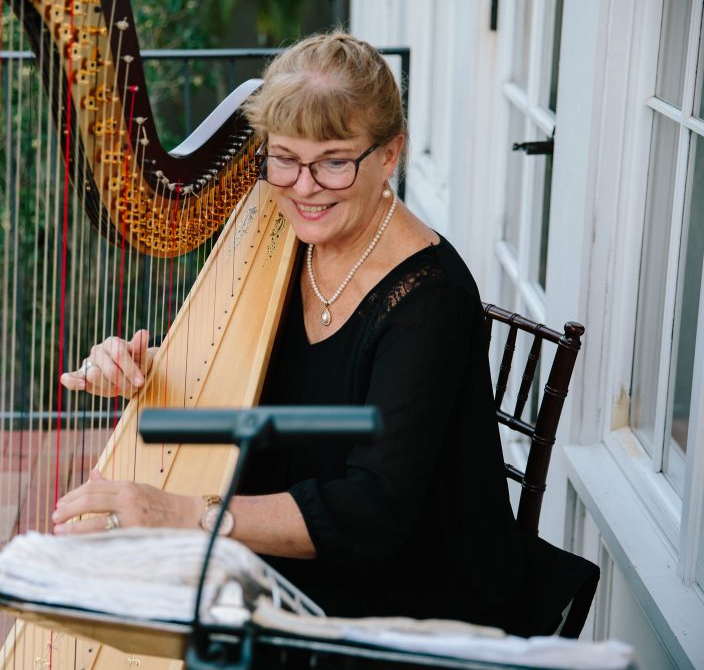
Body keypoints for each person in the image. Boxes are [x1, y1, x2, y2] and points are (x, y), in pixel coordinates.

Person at [51, 32, 536, 632]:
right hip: (289, 552)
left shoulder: (429, 301)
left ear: (390, 155)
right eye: (283, 157)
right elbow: (254, 381)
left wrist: (182, 513)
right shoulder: (282, 242)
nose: (303, 187)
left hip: (401, 591)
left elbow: (373, 511)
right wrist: (148, 372)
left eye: (333, 161)